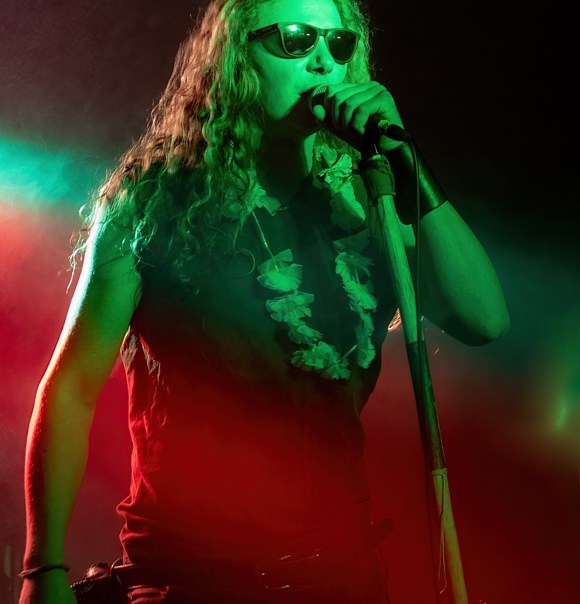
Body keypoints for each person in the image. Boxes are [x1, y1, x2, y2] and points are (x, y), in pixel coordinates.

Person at [18, 0, 510, 602]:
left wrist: (407, 160)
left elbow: (485, 320)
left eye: (339, 44)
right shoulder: (154, 205)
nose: (323, 61)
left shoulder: (364, 208)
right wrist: (43, 568)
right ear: (235, 59)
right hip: (190, 578)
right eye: (296, 39)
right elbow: (71, 389)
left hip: (339, 574)